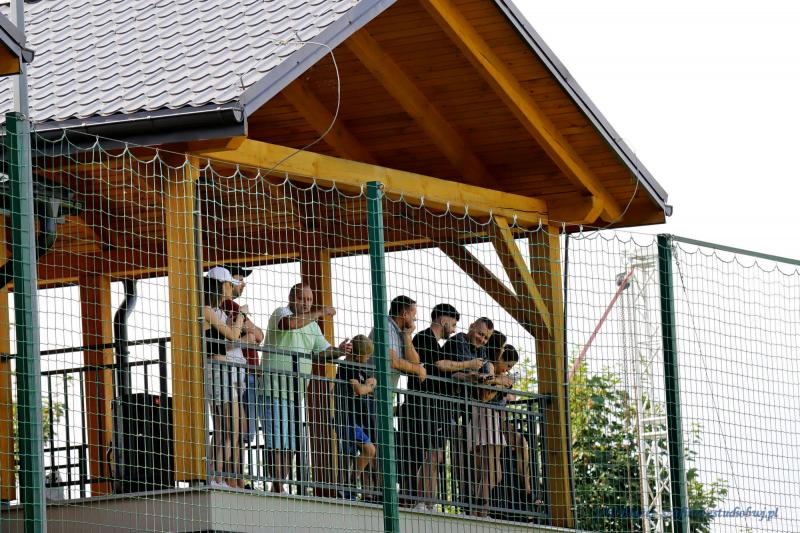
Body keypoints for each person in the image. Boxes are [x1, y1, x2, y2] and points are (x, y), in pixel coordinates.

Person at [262, 283, 352, 493]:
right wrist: (320, 312)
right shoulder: (281, 313)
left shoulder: (312, 326)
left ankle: (278, 486)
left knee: (291, 444)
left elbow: (323, 352)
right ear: (291, 298)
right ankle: (277, 486)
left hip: (296, 394)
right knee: (277, 442)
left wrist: (339, 350)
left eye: (310, 300)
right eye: (302, 299)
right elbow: (291, 324)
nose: (306, 303)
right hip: (274, 390)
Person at [405, 303, 461, 510]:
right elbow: (433, 371)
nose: (453, 330)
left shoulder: (435, 344)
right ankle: (420, 501)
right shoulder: (423, 339)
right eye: (453, 325)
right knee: (424, 454)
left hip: (435, 409)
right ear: (443, 320)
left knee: (435, 456)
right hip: (422, 407)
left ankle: (429, 502)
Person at [441, 317, 494, 512]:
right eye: (480, 334)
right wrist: (478, 374)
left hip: (464, 410)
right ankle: (460, 501)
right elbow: (463, 371)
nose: (482, 340)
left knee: (466, 455)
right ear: (471, 327)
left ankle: (468, 501)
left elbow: (484, 373)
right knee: (445, 454)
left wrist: (486, 377)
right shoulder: (459, 341)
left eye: (486, 338)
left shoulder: (481, 350)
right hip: (446, 406)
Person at [202, 272, 248, 489]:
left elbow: (226, 340)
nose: (231, 288)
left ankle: (218, 476)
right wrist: (241, 315)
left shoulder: (214, 311)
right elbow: (234, 336)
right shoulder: (206, 310)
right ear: (220, 286)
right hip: (218, 372)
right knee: (229, 428)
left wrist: (232, 322)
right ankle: (216, 477)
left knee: (227, 428)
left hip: (221, 370)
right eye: (229, 284)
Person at [218, 265, 265, 450]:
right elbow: (259, 336)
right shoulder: (230, 306)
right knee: (240, 433)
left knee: (235, 433)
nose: (243, 284)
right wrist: (249, 337)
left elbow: (257, 336)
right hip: (243, 374)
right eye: (239, 279)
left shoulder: (223, 308)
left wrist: (251, 335)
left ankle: (232, 470)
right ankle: (231, 470)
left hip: (240, 373)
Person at [467, 331, 509, 517]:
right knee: (491, 469)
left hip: (486, 417)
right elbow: (485, 395)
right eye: (502, 347)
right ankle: (481, 511)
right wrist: (502, 384)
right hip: (486, 416)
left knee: (495, 472)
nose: (503, 351)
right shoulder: (488, 365)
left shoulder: (487, 365)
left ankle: (478, 507)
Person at [334, 335, 377, 500]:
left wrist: (370, 384)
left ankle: (350, 484)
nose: (367, 361)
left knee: (358, 452)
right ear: (358, 356)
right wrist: (369, 387)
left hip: (354, 420)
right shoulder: (347, 366)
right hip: (345, 419)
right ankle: (348, 483)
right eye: (366, 357)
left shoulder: (359, 369)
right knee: (364, 450)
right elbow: (359, 389)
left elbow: (370, 381)